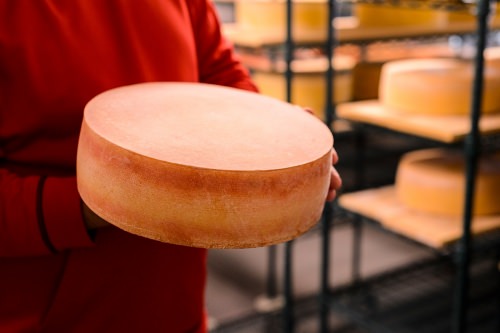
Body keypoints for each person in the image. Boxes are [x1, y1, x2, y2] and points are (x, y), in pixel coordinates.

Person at [0, 1, 342, 332]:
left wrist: (267, 136)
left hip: (176, 303)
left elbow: (219, 70)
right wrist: (114, 199)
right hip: (46, 316)